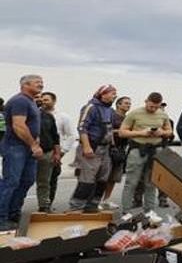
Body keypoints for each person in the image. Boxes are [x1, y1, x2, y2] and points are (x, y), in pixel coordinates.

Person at [0, 75, 43, 230]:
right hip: (15, 147)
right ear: (25, 84)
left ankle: (13, 213)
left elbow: (32, 125)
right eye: (37, 82)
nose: (41, 85)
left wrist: (35, 142)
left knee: (27, 180)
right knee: (11, 182)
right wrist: (33, 145)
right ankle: (1, 218)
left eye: (42, 82)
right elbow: (19, 126)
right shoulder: (20, 101)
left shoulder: (31, 102)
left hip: (27, 148)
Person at [118, 92, 172, 212]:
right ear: (146, 101)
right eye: (151, 106)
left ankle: (149, 212)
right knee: (131, 182)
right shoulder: (134, 113)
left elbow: (169, 131)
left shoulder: (163, 115)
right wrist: (141, 133)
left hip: (155, 150)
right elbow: (122, 132)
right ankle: (126, 211)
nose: (153, 109)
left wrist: (161, 132)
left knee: (151, 183)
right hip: (138, 149)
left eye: (156, 107)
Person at [69, 84, 117, 213]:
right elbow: (82, 127)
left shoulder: (110, 110)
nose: (114, 96)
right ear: (103, 94)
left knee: (103, 179)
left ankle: (93, 205)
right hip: (92, 148)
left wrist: (113, 147)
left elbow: (110, 129)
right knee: (87, 179)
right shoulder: (91, 107)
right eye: (112, 93)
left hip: (105, 149)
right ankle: (76, 207)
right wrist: (86, 146)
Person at [42, 92, 76, 206]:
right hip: (37, 152)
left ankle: (47, 205)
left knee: (51, 180)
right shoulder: (35, 115)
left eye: (46, 99)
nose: (43, 102)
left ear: (54, 101)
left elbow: (71, 135)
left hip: (55, 153)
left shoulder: (63, 117)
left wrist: (62, 152)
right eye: (42, 99)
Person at [101, 96, 130, 210]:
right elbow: (106, 130)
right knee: (104, 176)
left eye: (129, 103)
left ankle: (106, 200)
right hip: (109, 148)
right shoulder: (112, 115)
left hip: (122, 149)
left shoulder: (128, 118)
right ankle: (96, 199)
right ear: (118, 104)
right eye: (126, 103)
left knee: (114, 177)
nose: (128, 105)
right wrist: (121, 132)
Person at [35, 95, 60, 212]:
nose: (39, 100)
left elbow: (55, 137)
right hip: (27, 153)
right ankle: (12, 209)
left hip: (46, 153)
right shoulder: (22, 114)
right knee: (21, 182)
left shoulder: (48, 116)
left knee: (44, 182)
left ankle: (44, 206)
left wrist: (57, 153)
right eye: (36, 97)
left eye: (40, 98)